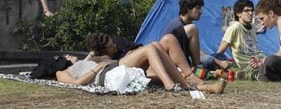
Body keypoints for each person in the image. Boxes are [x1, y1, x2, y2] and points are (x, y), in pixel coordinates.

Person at [57, 46, 226, 93]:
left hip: (115, 68)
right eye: (66, 57)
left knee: (161, 44)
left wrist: (90, 59)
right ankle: (170, 84)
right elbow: (77, 83)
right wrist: (96, 69)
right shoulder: (61, 72)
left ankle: (201, 86)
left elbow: (107, 59)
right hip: (106, 75)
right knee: (150, 49)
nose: (69, 56)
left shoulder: (84, 62)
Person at [163, 0, 230, 70]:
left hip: (186, 59)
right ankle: (200, 68)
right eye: (198, 8)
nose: (201, 12)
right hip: (174, 63)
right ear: (188, 9)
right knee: (209, 60)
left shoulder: (188, 24)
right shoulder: (179, 26)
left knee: (216, 57)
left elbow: (197, 51)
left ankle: (216, 64)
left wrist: (218, 61)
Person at [216, 0, 262, 71]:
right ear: (238, 13)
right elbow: (220, 51)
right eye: (247, 11)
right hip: (247, 65)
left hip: (259, 60)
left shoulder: (253, 27)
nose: (250, 13)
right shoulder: (235, 27)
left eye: (252, 10)